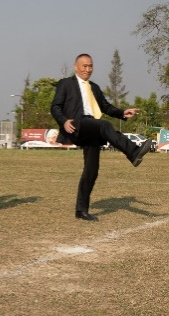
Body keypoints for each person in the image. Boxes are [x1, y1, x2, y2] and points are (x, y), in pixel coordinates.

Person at [50, 53, 152, 222]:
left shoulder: (94, 87)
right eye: (84, 66)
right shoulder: (66, 83)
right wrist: (64, 121)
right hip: (76, 124)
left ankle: (81, 210)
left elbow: (106, 107)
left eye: (90, 66)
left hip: (92, 128)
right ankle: (133, 152)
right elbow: (55, 107)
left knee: (92, 170)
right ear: (76, 67)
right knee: (104, 125)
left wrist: (123, 112)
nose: (88, 69)